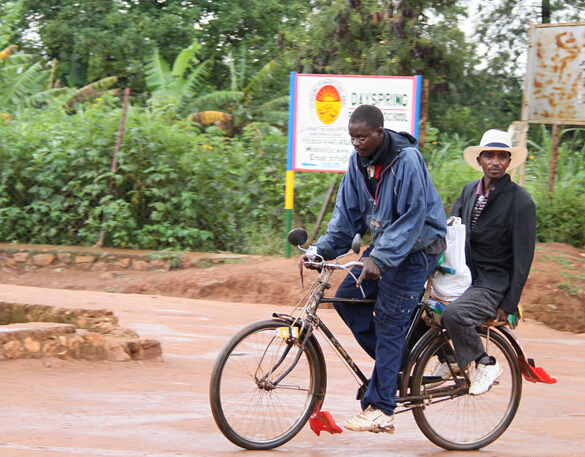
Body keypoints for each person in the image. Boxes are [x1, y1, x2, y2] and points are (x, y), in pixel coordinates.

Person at [302, 104, 447, 434]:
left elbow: (411, 220)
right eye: (352, 137)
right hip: (386, 246)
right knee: (346, 299)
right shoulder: (358, 163)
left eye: (362, 136)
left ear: (380, 133)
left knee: (389, 319)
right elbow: (346, 219)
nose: (356, 143)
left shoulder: (407, 160)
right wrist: (320, 250)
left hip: (419, 246)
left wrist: (378, 259)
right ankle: (402, 365)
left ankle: (382, 409)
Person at [438, 129, 536, 395]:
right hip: (464, 277)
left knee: (455, 314)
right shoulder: (469, 191)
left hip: (494, 284)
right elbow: (451, 229)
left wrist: (509, 301)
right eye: (489, 156)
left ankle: (485, 363)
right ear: (480, 160)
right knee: (421, 308)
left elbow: (523, 258)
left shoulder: (520, 201)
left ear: (508, 162)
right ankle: (451, 360)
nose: (495, 162)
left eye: (502, 157)